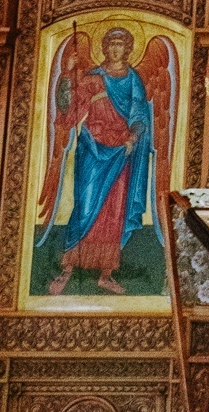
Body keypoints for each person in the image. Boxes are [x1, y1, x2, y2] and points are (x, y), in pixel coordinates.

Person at [47, 28, 154, 295]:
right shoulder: (92, 78)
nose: (116, 49)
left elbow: (140, 111)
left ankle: (106, 275)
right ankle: (67, 270)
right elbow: (69, 110)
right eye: (112, 44)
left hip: (121, 150)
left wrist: (132, 137)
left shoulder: (132, 79)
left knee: (115, 211)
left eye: (121, 44)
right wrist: (67, 76)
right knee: (85, 205)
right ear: (105, 48)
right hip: (93, 149)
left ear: (128, 49)